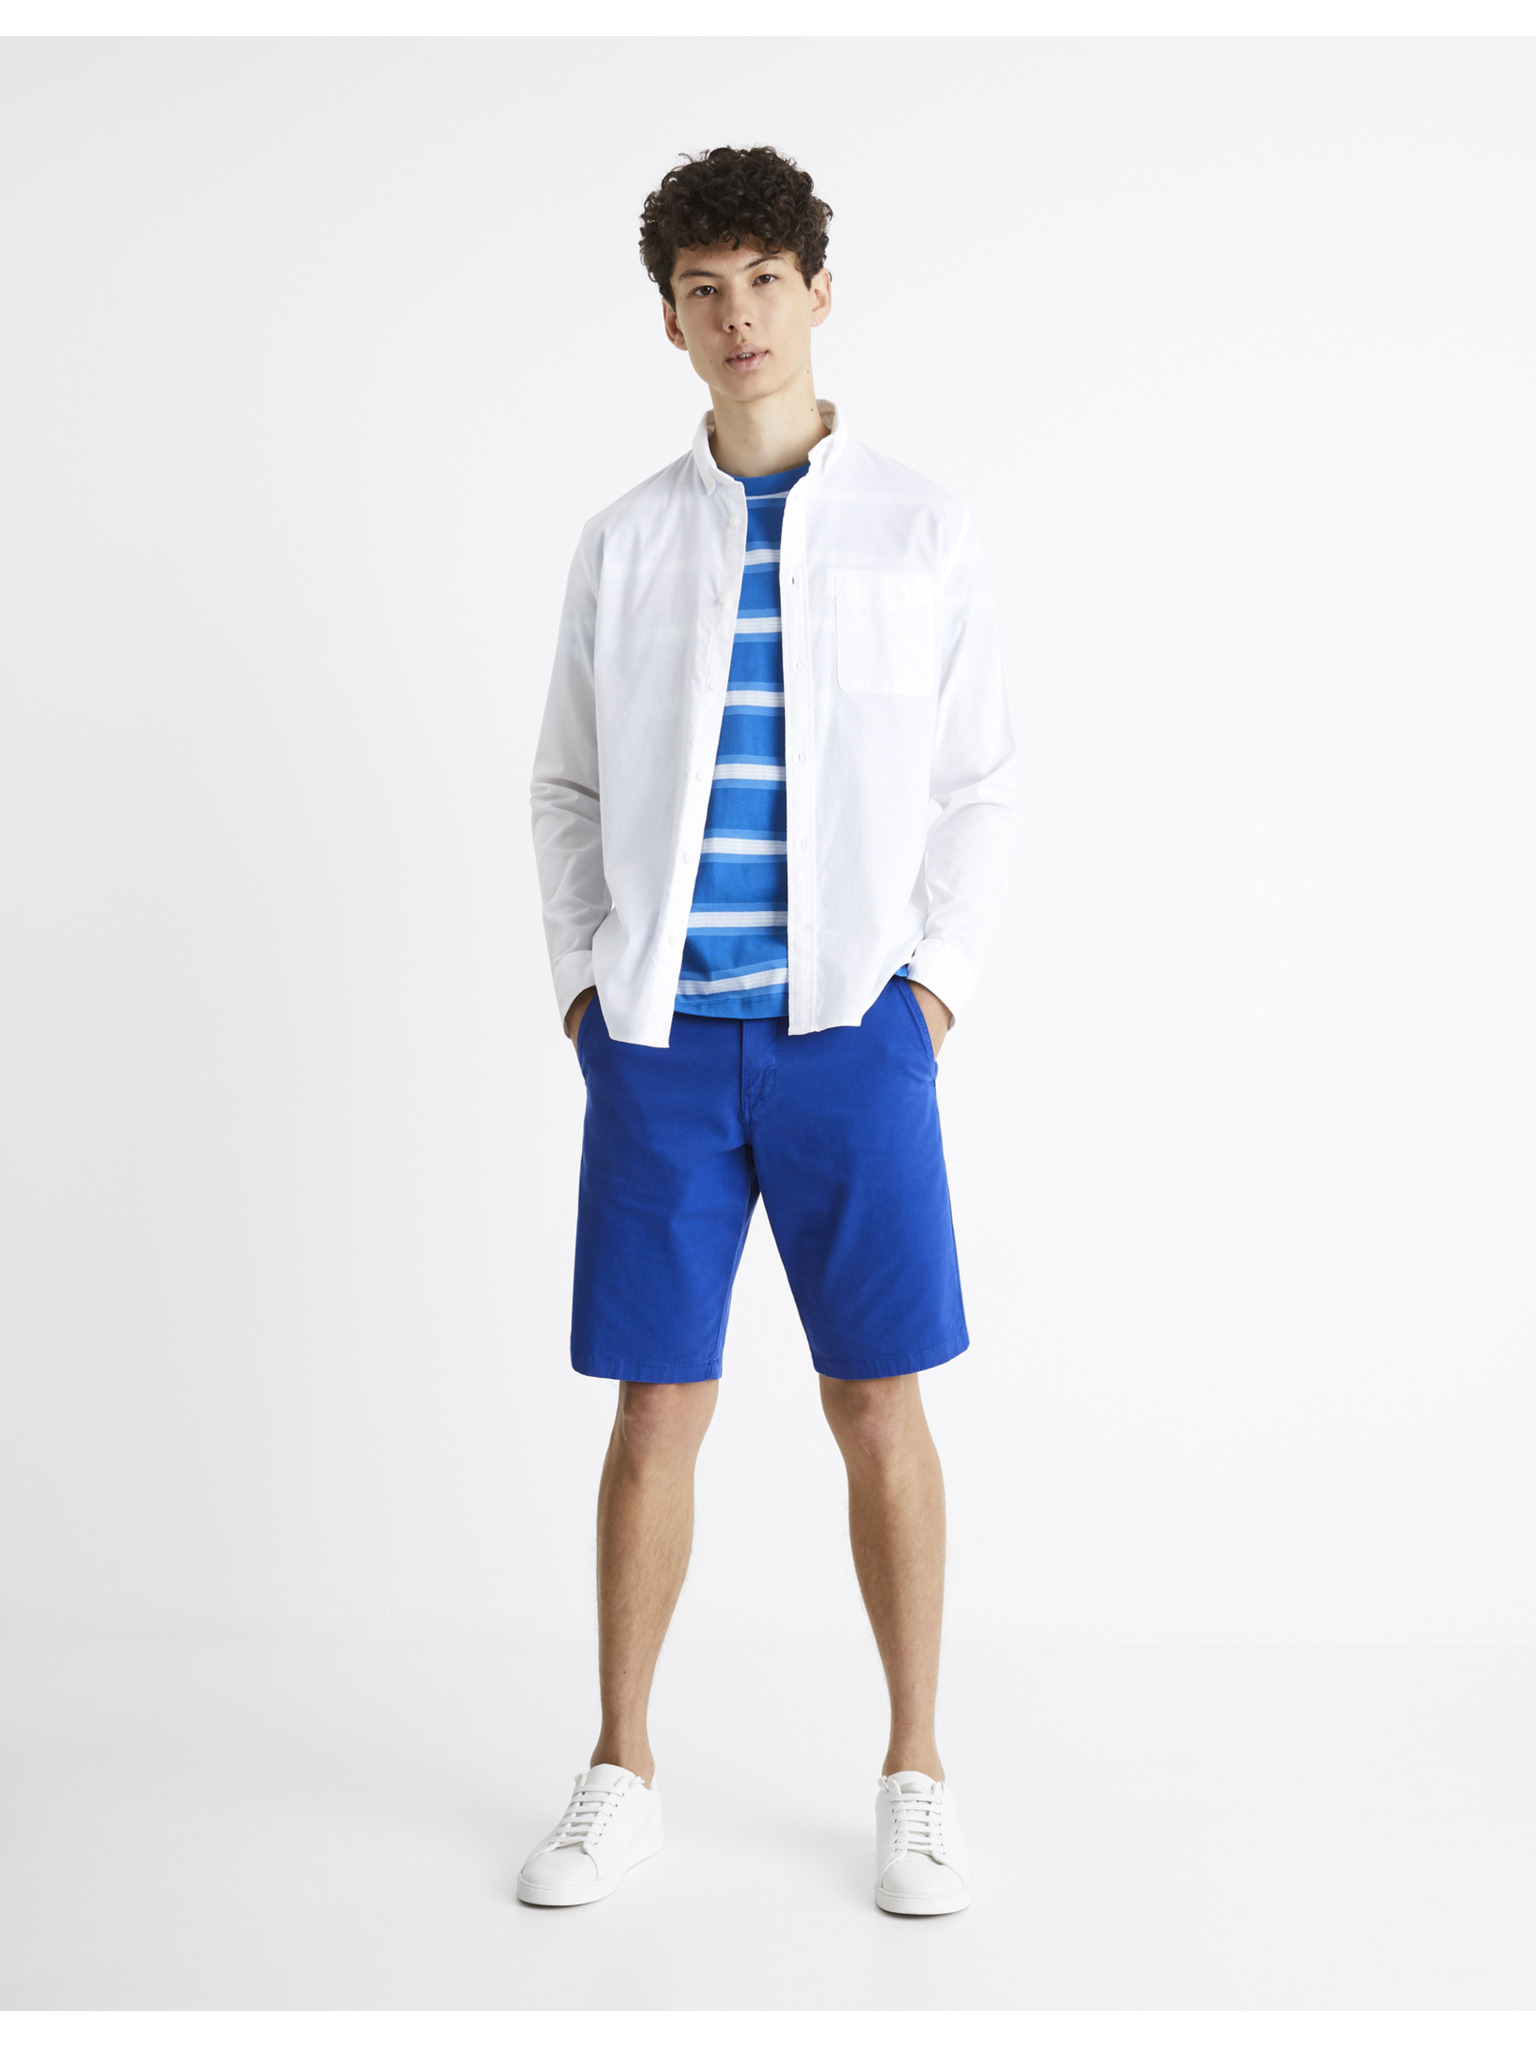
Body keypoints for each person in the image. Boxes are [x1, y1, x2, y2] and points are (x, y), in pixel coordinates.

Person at [520, 145, 1017, 1916]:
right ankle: (620, 1767)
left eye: (764, 281)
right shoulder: (625, 541)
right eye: (703, 289)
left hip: (853, 1041)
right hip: (660, 1044)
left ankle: (917, 1773)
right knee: (657, 1404)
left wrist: (927, 998)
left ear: (819, 292)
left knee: (878, 1396)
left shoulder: (919, 530)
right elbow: (566, 786)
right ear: (670, 319)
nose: (738, 317)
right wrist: (589, 992)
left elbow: (979, 787)